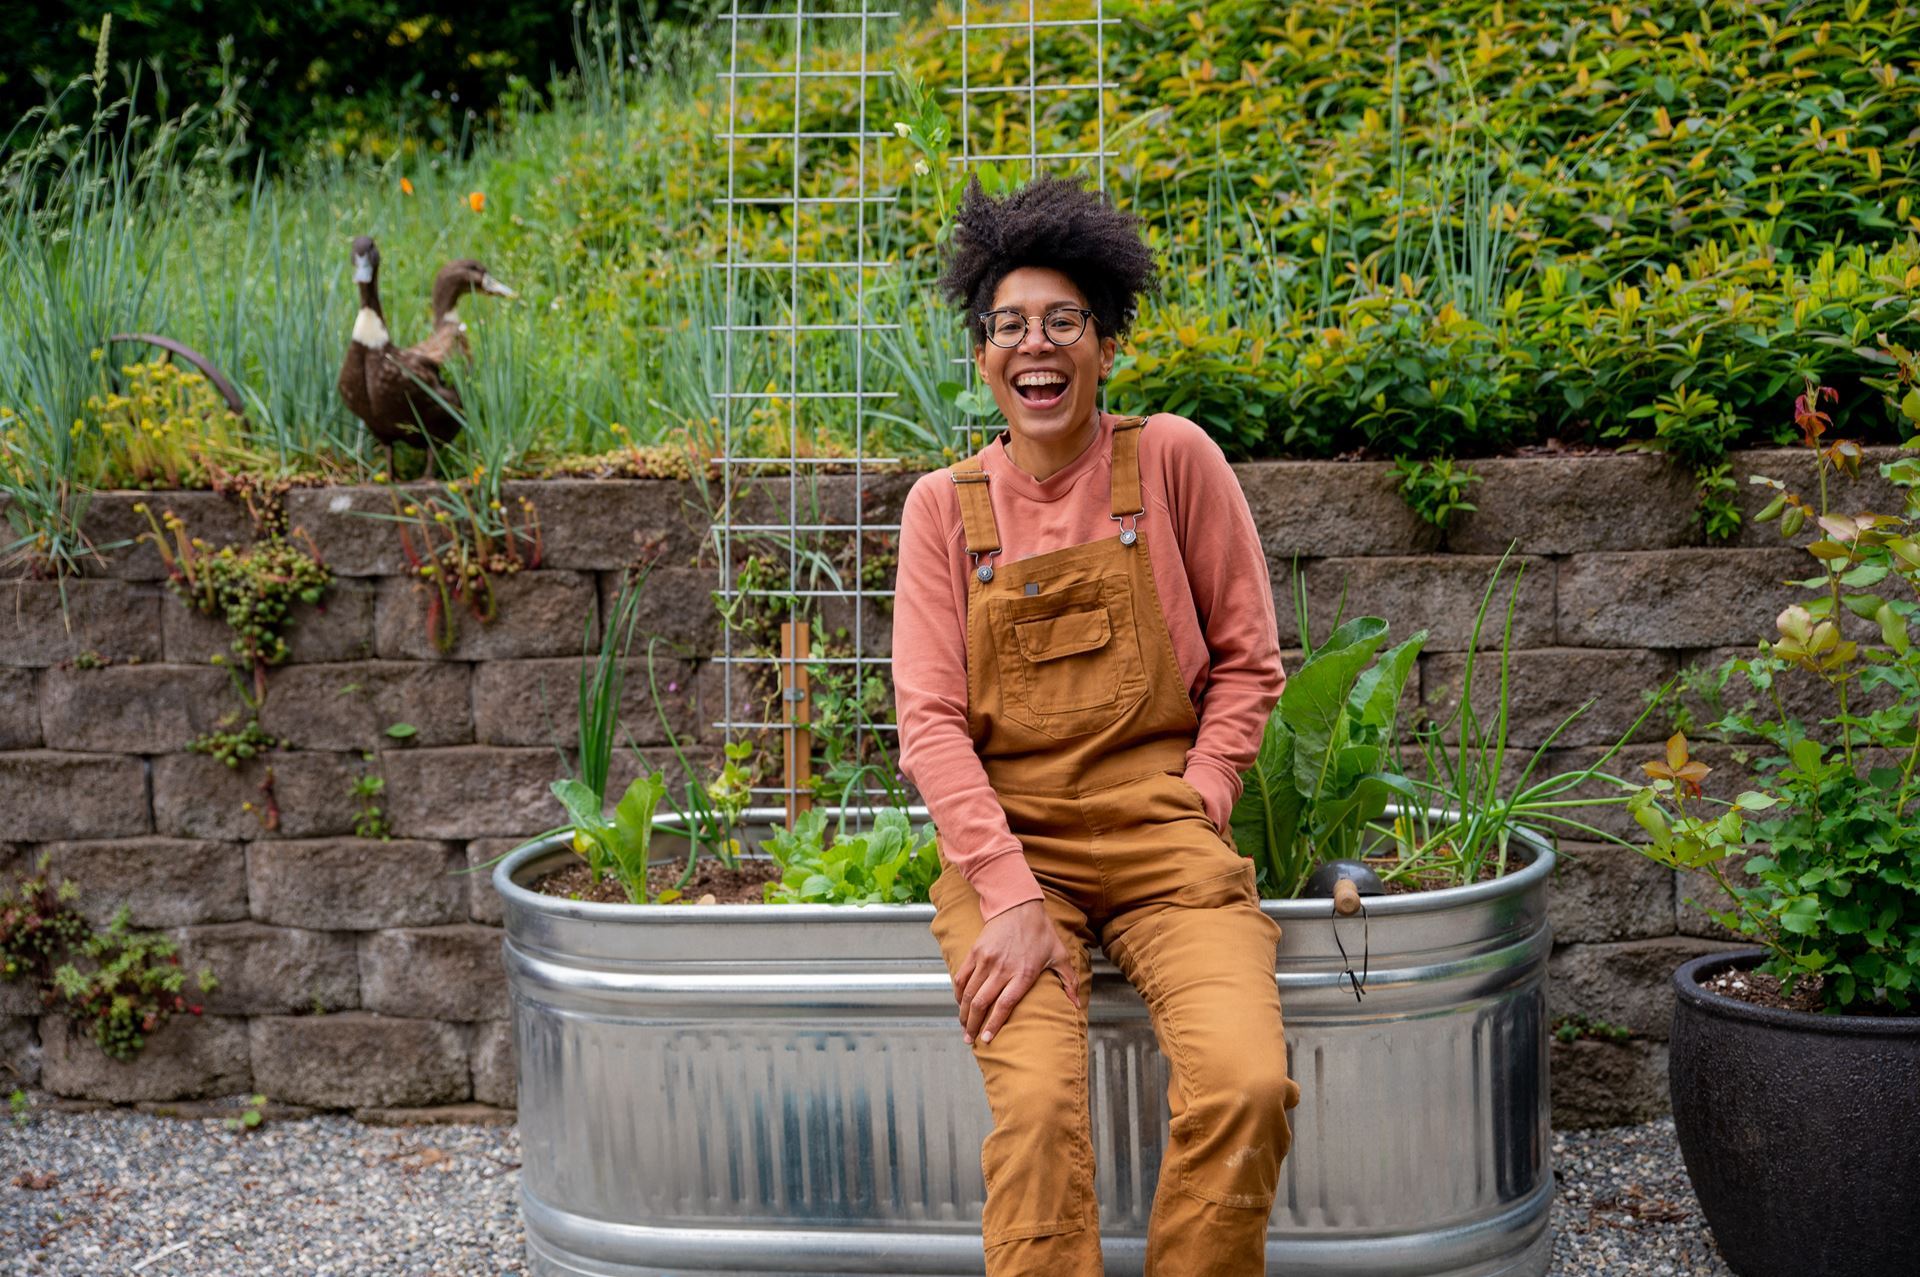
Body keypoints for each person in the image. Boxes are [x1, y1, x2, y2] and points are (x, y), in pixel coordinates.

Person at [890, 171, 1302, 1277]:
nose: (1038, 344)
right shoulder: (943, 509)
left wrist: (1207, 791)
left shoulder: (1171, 460)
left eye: (1064, 320)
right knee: (1033, 1117)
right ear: (983, 355)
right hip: (1008, 849)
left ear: (1106, 344)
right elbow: (929, 723)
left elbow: (1251, 661)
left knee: (1247, 1081)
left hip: (1164, 838)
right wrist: (1011, 895)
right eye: (1011, 324)